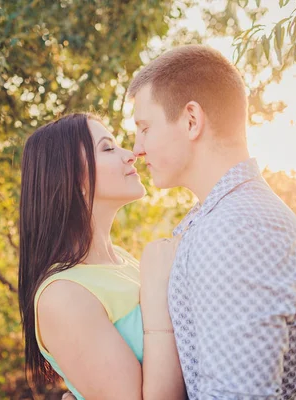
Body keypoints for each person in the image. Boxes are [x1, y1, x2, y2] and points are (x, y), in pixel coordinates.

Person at [128, 44, 296, 399]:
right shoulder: (224, 218)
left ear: (191, 120)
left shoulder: (239, 230)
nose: (136, 148)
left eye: (144, 127)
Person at [18, 113, 186, 399]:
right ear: (72, 180)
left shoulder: (120, 259)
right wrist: (156, 293)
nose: (131, 154)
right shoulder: (63, 295)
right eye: (108, 148)